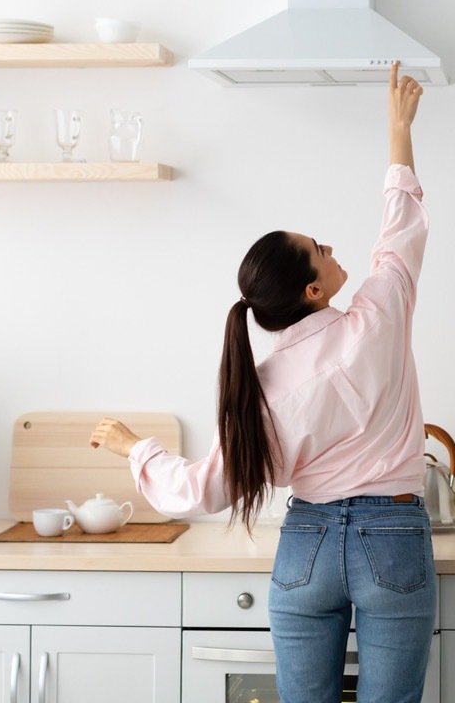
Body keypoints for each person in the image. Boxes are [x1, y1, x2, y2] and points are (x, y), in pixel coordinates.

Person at [89, 61, 434, 703]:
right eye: (321, 250)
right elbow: (401, 233)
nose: (333, 250)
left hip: (305, 546)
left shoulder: (264, 384)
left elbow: (201, 489)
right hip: (392, 536)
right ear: (312, 289)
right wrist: (398, 134)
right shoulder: (379, 317)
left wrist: (134, 446)